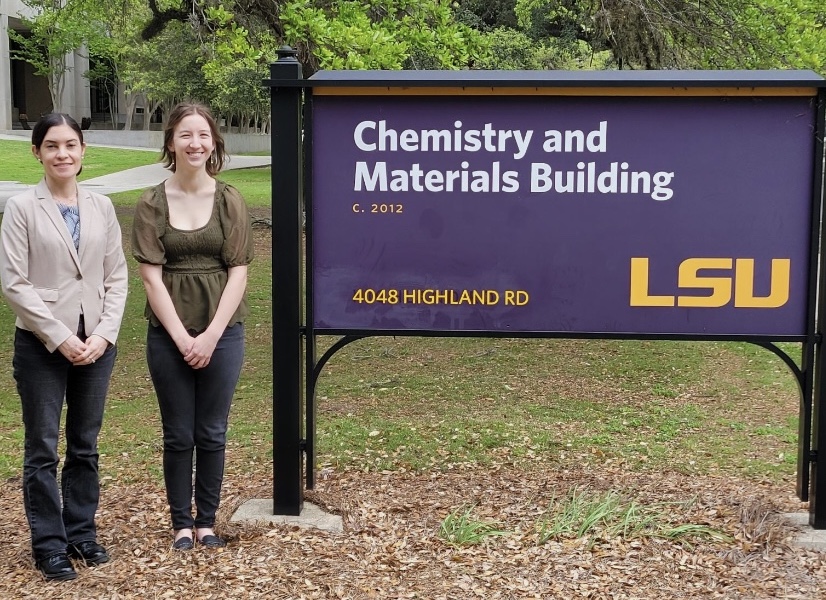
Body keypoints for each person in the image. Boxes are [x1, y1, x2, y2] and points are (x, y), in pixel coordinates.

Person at [0, 114, 128, 580]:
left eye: (70, 145)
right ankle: (49, 544)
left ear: (83, 149)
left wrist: (103, 334)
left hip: (96, 342)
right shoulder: (21, 208)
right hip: (41, 344)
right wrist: (59, 337)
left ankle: (81, 533)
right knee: (41, 448)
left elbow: (116, 277)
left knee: (85, 445)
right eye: (52, 146)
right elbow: (15, 283)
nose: (62, 154)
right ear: (37, 152)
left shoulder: (102, 206)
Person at [131, 102, 253, 551]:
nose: (195, 143)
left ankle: (207, 522)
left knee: (212, 431)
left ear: (214, 143)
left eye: (203, 135)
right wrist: (184, 338)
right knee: (178, 432)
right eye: (186, 135)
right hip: (168, 335)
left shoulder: (229, 200)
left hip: (222, 332)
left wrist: (212, 336)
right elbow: (150, 276)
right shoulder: (151, 202)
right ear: (171, 142)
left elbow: (238, 270)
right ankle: (181, 523)